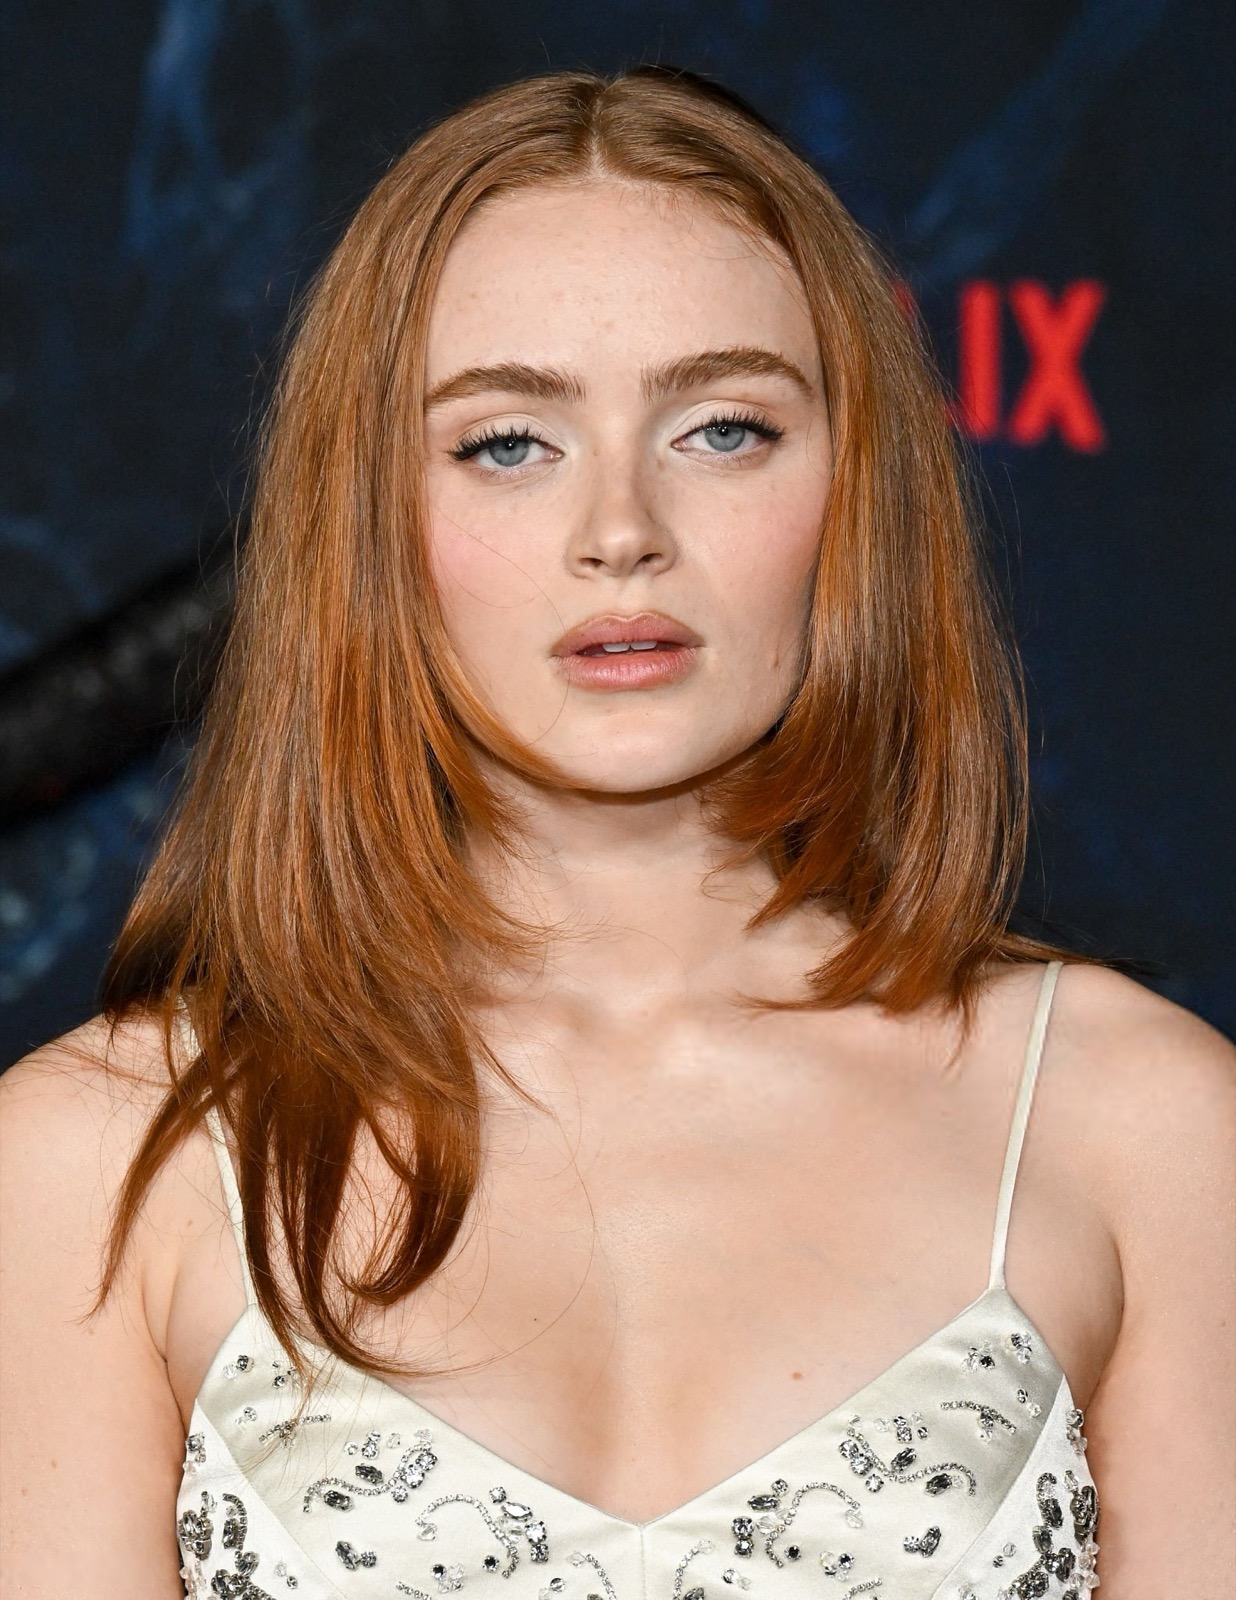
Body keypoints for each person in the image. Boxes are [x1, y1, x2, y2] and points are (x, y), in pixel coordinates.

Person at [1, 66, 1231, 1600]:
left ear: (859, 485)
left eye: (722, 429)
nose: (622, 532)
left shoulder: (1141, 1123)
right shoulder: (95, 1156)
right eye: (508, 443)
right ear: (366, 517)